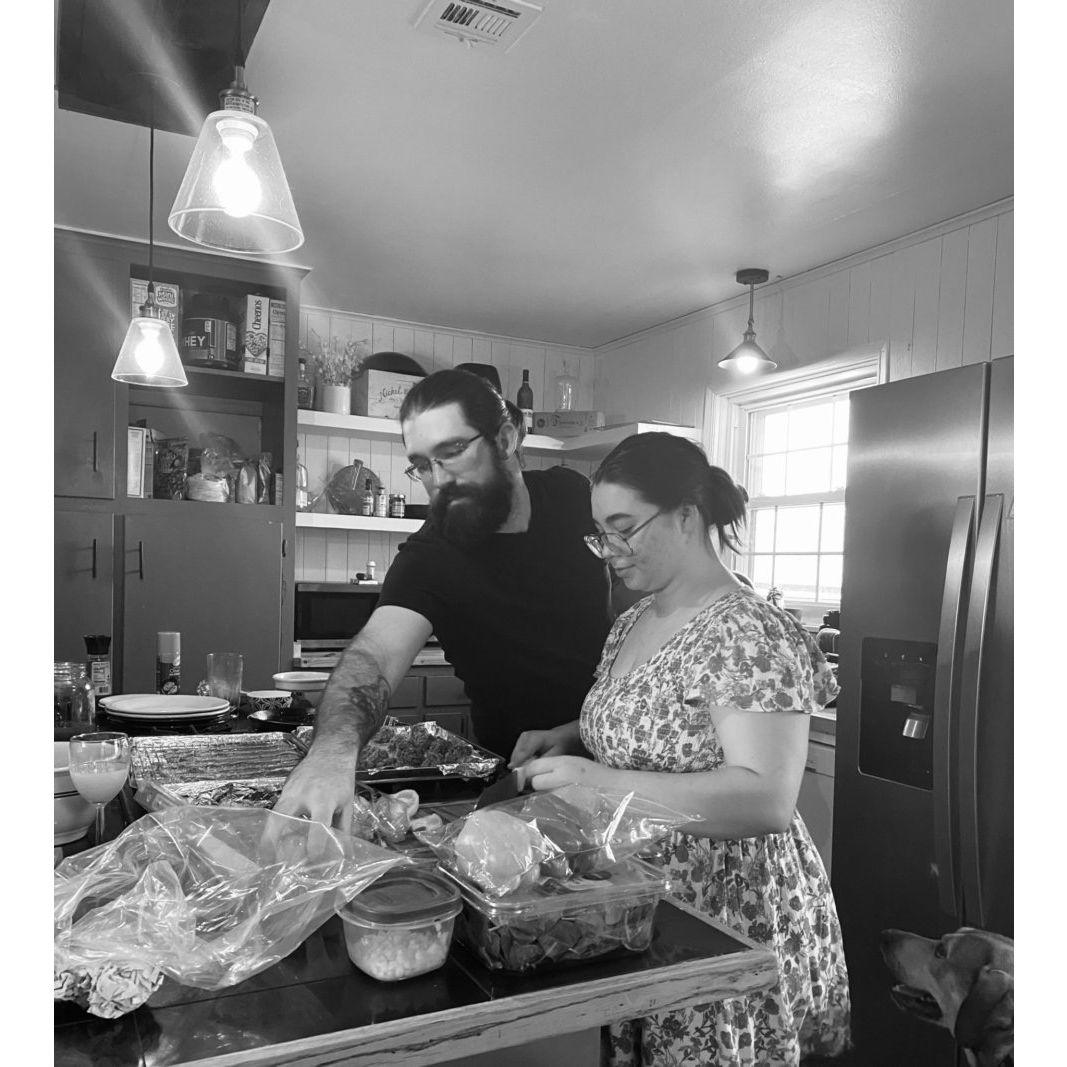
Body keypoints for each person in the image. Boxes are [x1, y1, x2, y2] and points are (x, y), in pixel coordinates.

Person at [511, 432, 850, 1065]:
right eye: (600, 533)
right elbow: (660, 730)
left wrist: (596, 779)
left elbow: (765, 800)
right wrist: (573, 733)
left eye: (624, 529)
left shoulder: (746, 630)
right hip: (636, 892)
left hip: (721, 909)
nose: (609, 551)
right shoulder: (635, 620)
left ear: (688, 515)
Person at [275, 368, 612, 830]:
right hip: (526, 778)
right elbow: (372, 659)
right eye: (421, 464)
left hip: (622, 751)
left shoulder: (574, 497)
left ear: (507, 438)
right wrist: (332, 753)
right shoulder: (431, 556)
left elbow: (641, 607)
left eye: (451, 453)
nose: (436, 480)